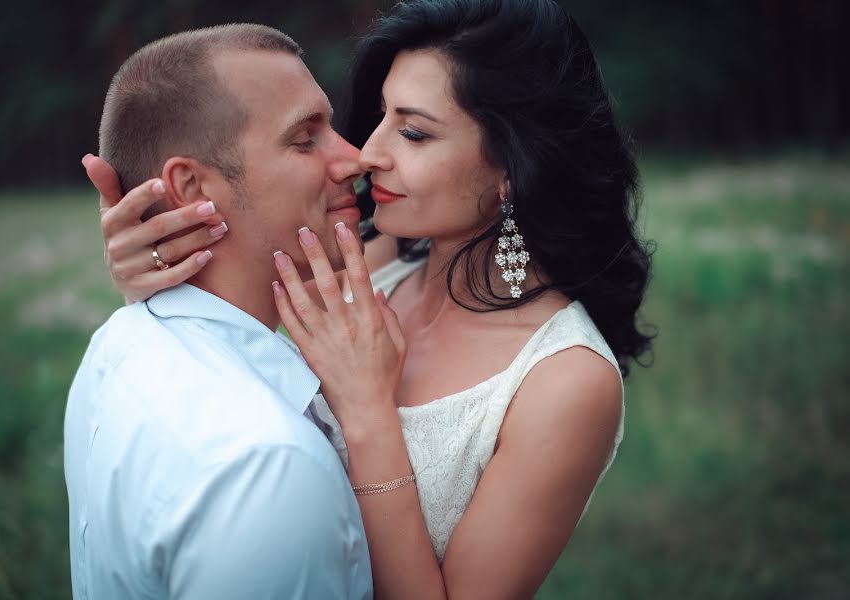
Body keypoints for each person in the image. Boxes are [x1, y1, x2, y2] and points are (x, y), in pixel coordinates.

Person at [88, 1, 654, 597]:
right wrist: (148, 261)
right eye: (382, 115)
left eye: (413, 132)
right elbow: (226, 288)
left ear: (513, 167)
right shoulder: (371, 260)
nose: (367, 153)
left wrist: (368, 414)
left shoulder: (564, 381)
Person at [65, 24, 375, 599]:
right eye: (305, 139)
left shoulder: (116, 345)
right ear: (189, 186)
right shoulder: (268, 469)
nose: (354, 158)